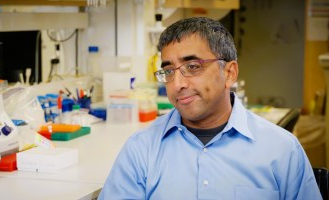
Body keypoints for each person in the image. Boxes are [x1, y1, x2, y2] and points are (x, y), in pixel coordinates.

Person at [98, 17, 321, 200]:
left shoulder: (281, 150)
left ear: (229, 73)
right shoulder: (141, 150)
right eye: (168, 71)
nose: (177, 84)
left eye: (193, 67)